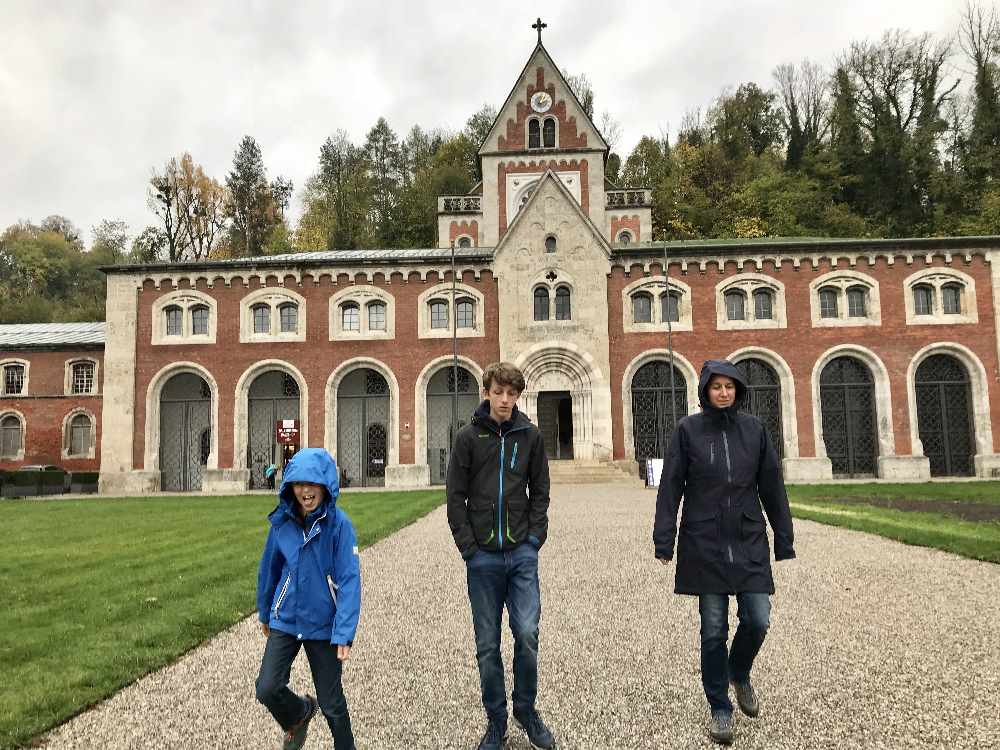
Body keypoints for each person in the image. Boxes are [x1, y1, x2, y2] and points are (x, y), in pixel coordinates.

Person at [653, 360, 795, 746]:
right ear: (705, 390)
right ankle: (719, 706)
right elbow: (670, 488)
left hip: (747, 536)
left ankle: (739, 671)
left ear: (738, 389)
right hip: (704, 541)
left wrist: (785, 538)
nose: (724, 392)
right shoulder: (688, 431)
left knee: (759, 618)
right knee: (713, 630)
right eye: (716, 386)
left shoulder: (754, 430)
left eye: (730, 386)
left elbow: (772, 486)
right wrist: (663, 540)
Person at [447, 362, 555, 750]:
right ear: (487, 392)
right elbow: (454, 496)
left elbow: (541, 490)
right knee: (487, 646)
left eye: (512, 394)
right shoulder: (468, 437)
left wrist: (535, 538)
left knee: (527, 634)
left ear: (517, 396)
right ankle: (496, 720)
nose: (505, 400)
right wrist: (469, 549)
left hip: (521, 553)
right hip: (483, 559)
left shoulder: (530, 436)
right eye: (499, 392)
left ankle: (526, 709)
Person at [255, 448, 361, 750]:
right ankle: (299, 714)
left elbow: (349, 580)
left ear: (326, 485)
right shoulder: (282, 523)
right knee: (267, 688)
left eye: (312, 483)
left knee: (332, 704)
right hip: (286, 618)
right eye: (298, 484)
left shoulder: (340, 525)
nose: (305, 491)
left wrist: (344, 632)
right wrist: (265, 611)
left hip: (323, 623)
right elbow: (269, 568)